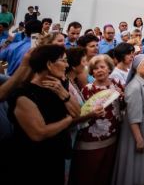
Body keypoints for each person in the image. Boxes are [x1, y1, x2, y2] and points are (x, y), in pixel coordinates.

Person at [7, 45, 75, 184]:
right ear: (49, 64)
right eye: (63, 60)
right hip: (33, 163)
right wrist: (67, 121)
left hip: (55, 157)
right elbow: (39, 133)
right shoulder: (24, 95)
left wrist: (64, 94)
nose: (67, 65)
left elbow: (77, 112)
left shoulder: (58, 86)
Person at [70, 54, 124, 185]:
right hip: (91, 139)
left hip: (113, 136)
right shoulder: (87, 89)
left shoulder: (116, 85)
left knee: (106, 174)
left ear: (109, 69)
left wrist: (124, 97)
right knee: (89, 174)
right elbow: (82, 113)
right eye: (95, 68)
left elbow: (122, 107)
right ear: (91, 72)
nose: (99, 70)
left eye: (102, 67)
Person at [113, 54, 144, 185]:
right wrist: (139, 139)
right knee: (135, 162)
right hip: (139, 129)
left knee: (142, 162)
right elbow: (133, 117)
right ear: (136, 68)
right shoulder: (134, 87)